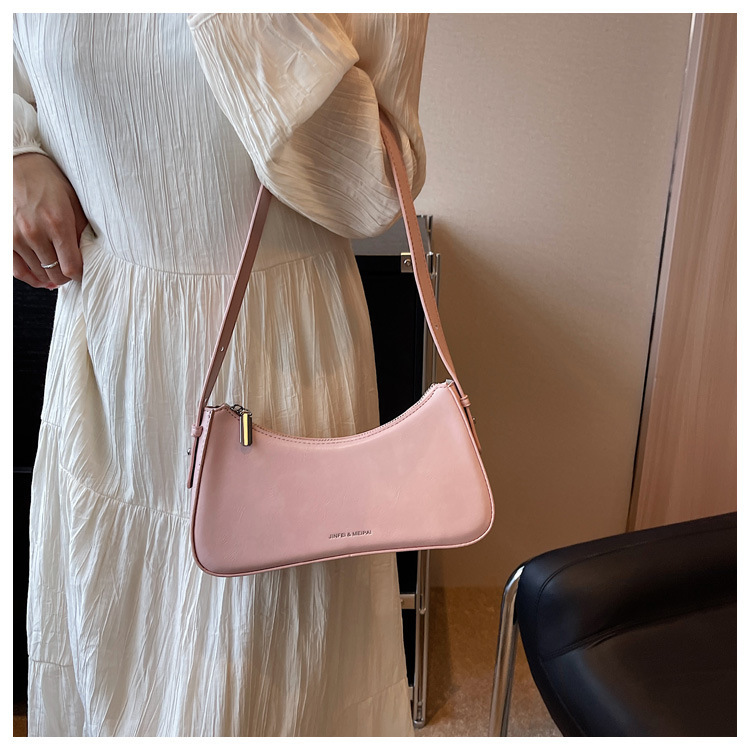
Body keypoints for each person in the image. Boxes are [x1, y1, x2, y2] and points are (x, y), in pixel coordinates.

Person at [13, 13, 429, 737]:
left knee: (258, 696)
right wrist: (15, 151)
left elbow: (371, 188)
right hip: (109, 359)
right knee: (108, 657)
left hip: (278, 369)